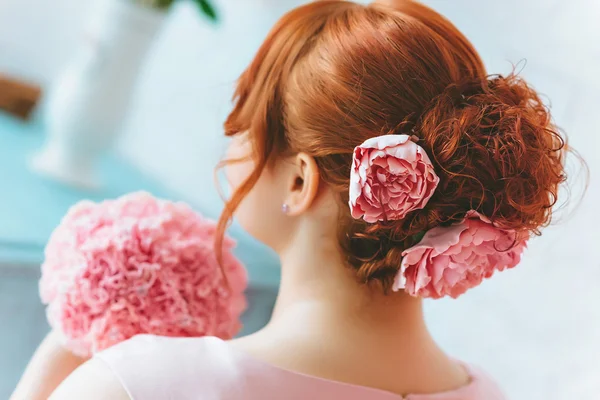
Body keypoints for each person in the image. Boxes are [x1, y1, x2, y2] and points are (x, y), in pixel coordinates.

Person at [25, 0, 571, 399]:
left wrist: (60, 360)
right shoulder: (488, 393)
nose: (231, 138)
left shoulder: (140, 384)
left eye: (246, 113)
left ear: (299, 182)